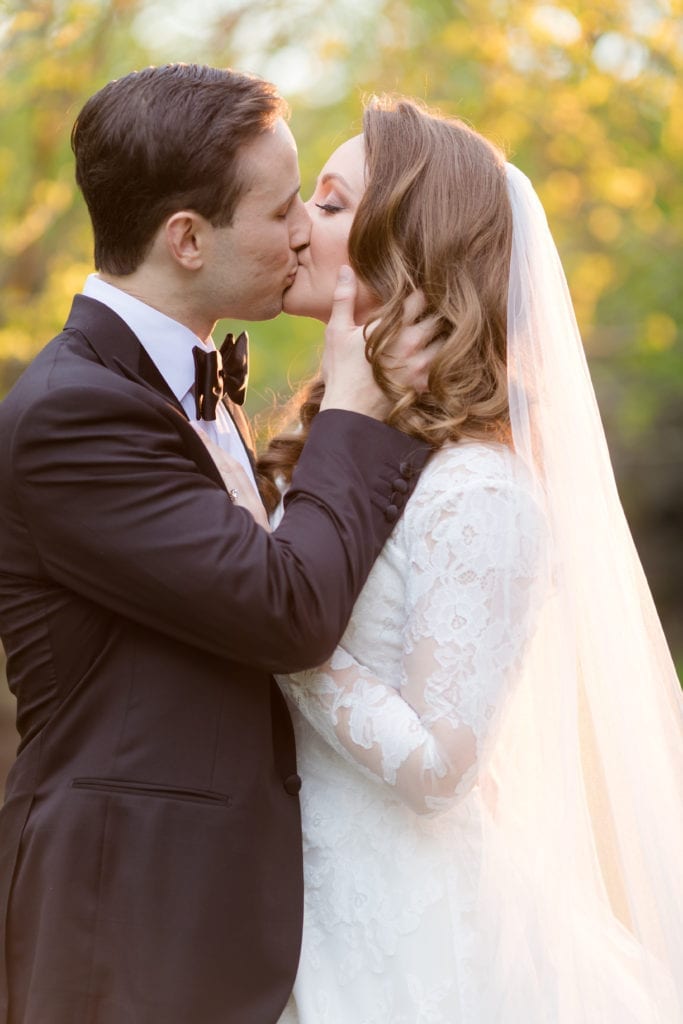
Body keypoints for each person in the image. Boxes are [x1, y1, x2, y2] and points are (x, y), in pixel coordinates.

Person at [212, 97, 682, 1021]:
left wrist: (278, 623)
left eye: (334, 206)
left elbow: (440, 765)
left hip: (419, 944)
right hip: (291, 914)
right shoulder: (326, 446)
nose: (299, 226)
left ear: (408, 256)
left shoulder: (479, 490)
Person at [0, 67, 438, 1024]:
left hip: (216, 921)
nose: (303, 234)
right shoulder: (74, 413)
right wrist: (352, 416)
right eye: (283, 209)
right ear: (186, 239)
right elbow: (287, 612)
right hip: (126, 923)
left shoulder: (182, 384)